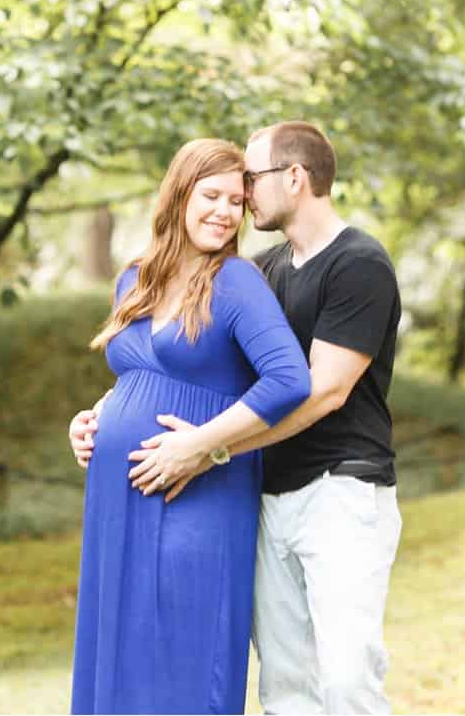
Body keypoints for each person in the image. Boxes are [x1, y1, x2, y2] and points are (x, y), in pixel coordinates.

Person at [72, 121, 403, 715]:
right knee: (285, 682)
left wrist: (208, 447)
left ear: (294, 178)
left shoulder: (357, 263)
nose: (239, 202)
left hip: (340, 486)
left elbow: (319, 390)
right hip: (271, 490)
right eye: (220, 192)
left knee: (347, 676)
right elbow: (200, 366)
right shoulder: (272, 267)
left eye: (247, 184)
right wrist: (103, 414)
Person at [68, 137, 311, 716]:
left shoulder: (237, 283)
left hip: (197, 494)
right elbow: (139, 372)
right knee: (120, 650)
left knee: (182, 650)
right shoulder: (136, 280)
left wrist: (201, 445)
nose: (224, 213)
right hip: (116, 502)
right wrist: (93, 420)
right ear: (179, 194)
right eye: (211, 195)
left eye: (236, 200)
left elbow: (289, 380)